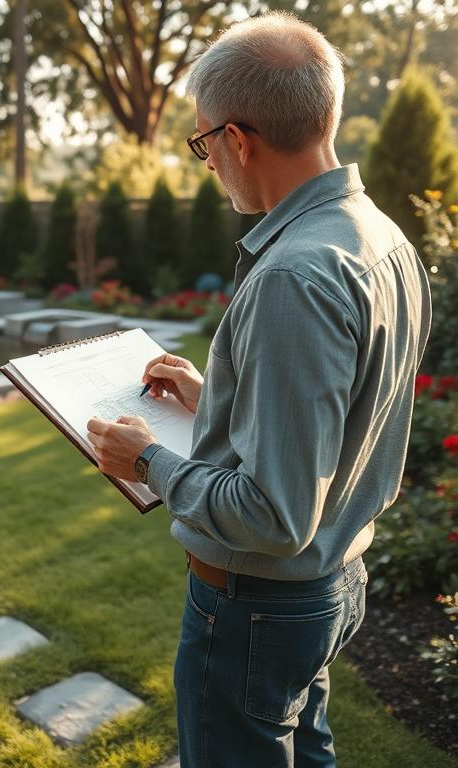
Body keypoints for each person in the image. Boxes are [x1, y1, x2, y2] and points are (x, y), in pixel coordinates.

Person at [85, 12, 432, 768]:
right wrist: (220, 396)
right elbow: (340, 416)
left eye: (202, 141)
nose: (206, 162)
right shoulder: (380, 236)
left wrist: (148, 459)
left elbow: (274, 516)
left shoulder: (292, 277)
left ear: (236, 140)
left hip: (257, 609)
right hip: (334, 584)